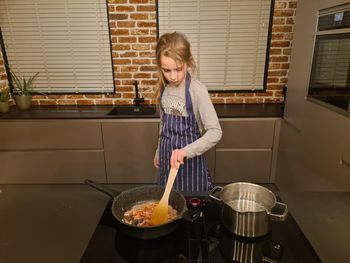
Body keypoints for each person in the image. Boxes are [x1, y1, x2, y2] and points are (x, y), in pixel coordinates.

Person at [153, 32, 222, 192]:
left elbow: (215, 132)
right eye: (167, 70)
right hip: (166, 160)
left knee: (191, 209)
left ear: (188, 62)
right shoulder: (163, 88)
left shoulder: (197, 90)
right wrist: (158, 151)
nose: (173, 76)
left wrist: (185, 152)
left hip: (190, 166)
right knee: (168, 207)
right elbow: (164, 124)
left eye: (178, 69)